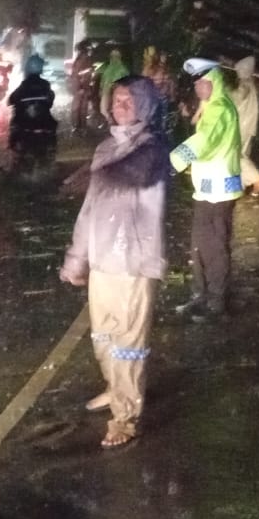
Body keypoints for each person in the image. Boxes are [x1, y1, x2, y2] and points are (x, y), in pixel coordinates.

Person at [59, 76, 170, 449]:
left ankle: (126, 415)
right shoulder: (105, 148)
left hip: (135, 262)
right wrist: (77, 258)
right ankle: (115, 386)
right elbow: (90, 210)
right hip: (103, 260)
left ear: (146, 106)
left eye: (129, 100)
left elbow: (134, 172)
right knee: (103, 335)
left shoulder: (153, 148)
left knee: (128, 343)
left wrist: (91, 175)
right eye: (117, 99)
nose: (120, 105)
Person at [169, 57, 242, 322]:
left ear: (216, 83)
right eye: (197, 83)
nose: (200, 88)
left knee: (213, 249)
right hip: (207, 191)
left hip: (219, 193)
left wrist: (174, 161)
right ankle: (200, 296)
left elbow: (205, 140)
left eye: (204, 82)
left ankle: (215, 304)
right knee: (199, 247)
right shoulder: (212, 106)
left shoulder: (220, 109)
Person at [7, 53, 57, 170]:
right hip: (44, 124)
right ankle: (51, 156)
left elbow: (11, 100)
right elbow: (50, 102)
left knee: (13, 131)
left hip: (24, 125)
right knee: (53, 130)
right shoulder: (45, 85)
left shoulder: (23, 86)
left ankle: (10, 162)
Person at [229, 55, 259, 196]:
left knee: (236, 153)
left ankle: (257, 179)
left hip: (242, 125)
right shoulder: (250, 83)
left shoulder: (245, 84)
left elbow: (235, 98)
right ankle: (241, 184)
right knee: (242, 153)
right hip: (246, 123)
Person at [69, 40, 98, 133]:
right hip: (80, 87)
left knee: (81, 107)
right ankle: (77, 126)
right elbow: (78, 74)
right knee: (79, 107)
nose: (91, 50)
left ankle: (79, 126)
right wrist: (81, 87)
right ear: (85, 49)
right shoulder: (83, 59)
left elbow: (85, 73)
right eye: (89, 48)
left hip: (82, 87)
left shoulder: (83, 59)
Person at [97, 47, 131, 122]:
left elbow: (127, 82)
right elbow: (103, 79)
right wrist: (101, 88)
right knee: (104, 110)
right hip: (106, 92)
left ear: (120, 57)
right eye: (112, 56)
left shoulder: (123, 69)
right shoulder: (108, 68)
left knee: (116, 111)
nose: (114, 58)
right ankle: (110, 122)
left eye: (116, 56)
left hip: (117, 93)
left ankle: (114, 125)